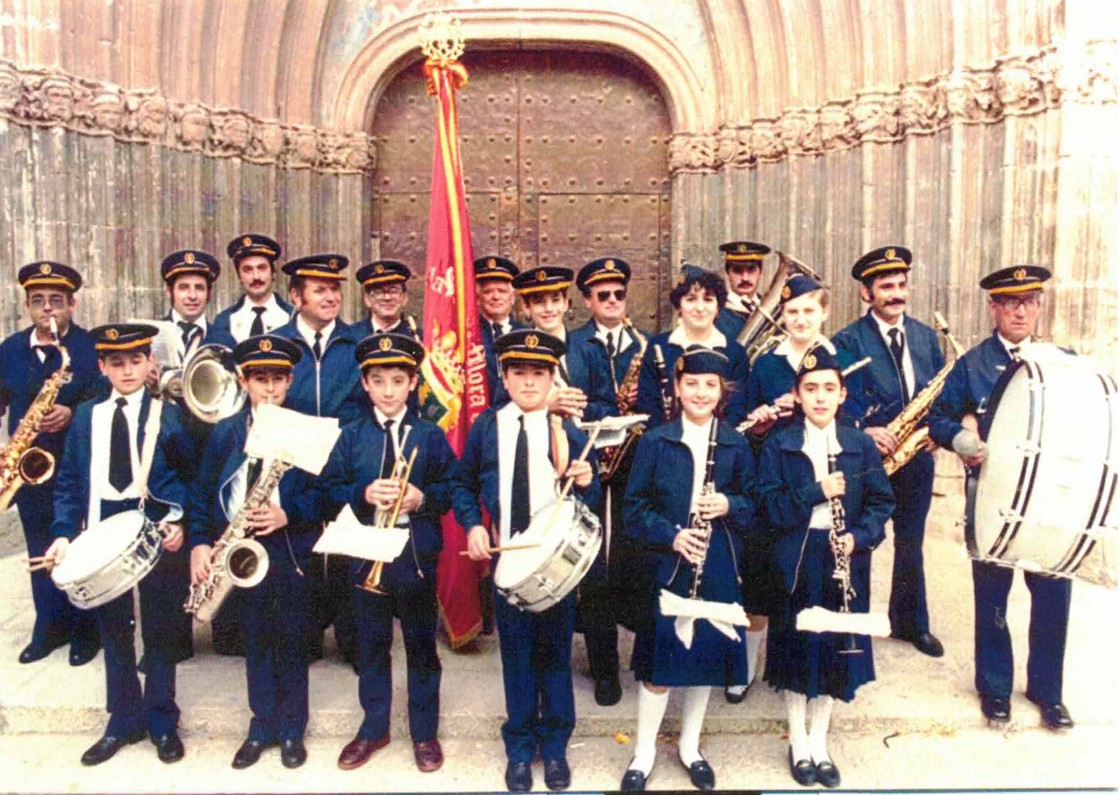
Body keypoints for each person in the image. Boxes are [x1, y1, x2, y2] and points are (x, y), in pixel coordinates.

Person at [454, 329, 602, 794]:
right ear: (504, 374)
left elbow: (592, 498)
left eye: (539, 373)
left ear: (553, 375)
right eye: (519, 372)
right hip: (507, 563)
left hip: (552, 566)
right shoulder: (487, 426)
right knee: (516, 661)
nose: (529, 382)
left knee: (555, 658)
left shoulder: (569, 431)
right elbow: (462, 484)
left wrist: (587, 477)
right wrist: (473, 526)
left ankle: (555, 748)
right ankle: (519, 749)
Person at [43, 323, 197, 766]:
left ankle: (163, 719)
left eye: (135, 361)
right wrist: (63, 532)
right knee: (113, 628)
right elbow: (70, 481)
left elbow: (185, 475)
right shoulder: (88, 415)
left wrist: (179, 520)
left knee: (161, 625)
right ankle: (123, 719)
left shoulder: (166, 413)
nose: (127, 370)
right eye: (116, 363)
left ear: (151, 363)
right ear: (102, 367)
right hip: (102, 525)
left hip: (152, 523)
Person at [928, 265, 1074, 731]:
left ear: (1039, 306)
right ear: (993, 306)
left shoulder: (1061, 361)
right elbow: (938, 419)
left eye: (1028, 301)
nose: (1019, 310)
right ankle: (995, 689)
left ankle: (1047, 692)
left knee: (1053, 596)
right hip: (993, 500)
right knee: (993, 598)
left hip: (1048, 503)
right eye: (1009, 301)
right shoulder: (972, 364)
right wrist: (960, 439)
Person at [620, 346, 758, 792]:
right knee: (660, 667)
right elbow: (633, 510)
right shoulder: (656, 441)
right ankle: (643, 752)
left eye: (710, 385)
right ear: (677, 389)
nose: (700, 392)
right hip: (670, 563)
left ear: (723, 393)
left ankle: (690, 746)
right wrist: (672, 534)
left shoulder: (736, 442)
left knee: (705, 660)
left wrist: (728, 504)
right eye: (692, 383)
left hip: (717, 563)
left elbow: (755, 505)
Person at [319, 333, 458, 774]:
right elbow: (327, 491)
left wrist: (422, 499)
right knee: (372, 646)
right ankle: (374, 726)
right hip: (364, 554)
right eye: (378, 381)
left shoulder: (430, 435)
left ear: (413, 382)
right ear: (364, 384)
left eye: (398, 380)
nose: (388, 390)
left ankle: (424, 733)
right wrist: (362, 493)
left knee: (421, 647)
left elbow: (452, 488)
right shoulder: (351, 435)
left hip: (413, 554)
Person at [756, 346, 894, 789]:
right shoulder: (780, 443)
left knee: (834, 651)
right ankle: (797, 741)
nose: (819, 397)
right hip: (797, 558)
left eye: (828, 389)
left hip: (843, 558)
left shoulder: (857, 444)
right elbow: (770, 507)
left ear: (842, 394)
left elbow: (880, 502)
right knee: (797, 652)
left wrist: (859, 537)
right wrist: (816, 491)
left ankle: (820, 741)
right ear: (796, 395)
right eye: (810, 389)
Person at [187, 334, 320, 770]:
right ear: (243, 380)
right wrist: (201, 542)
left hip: (289, 550)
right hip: (241, 554)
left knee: (292, 640)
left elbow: (330, 494)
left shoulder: (306, 427)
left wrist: (290, 513)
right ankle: (261, 724)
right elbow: (203, 492)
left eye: (278, 379)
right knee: (256, 640)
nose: (269, 389)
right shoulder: (227, 430)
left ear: (290, 380)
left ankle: (291, 730)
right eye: (259, 379)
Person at [833, 246, 945, 657]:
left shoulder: (924, 336)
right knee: (861, 541)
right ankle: (851, 626)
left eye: (901, 285)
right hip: (869, 459)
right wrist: (865, 430)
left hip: (915, 455)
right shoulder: (846, 340)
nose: (896, 294)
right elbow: (836, 401)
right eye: (886, 287)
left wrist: (935, 430)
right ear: (867, 293)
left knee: (911, 541)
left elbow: (940, 395)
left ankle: (910, 623)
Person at [0, 261, 101, 666]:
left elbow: (106, 396)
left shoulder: (90, 346)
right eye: (38, 302)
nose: (47, 310)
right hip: (29, 466)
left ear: (72, 305)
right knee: (39, 547)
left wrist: (73, 412)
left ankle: (85, 629)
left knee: (77, 546)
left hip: (77, 463)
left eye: (56, 302)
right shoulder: (9, 349)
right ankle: (49, 626)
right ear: (27, 305)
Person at [273, 253, 364, 666]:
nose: (330, 298)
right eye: (319, 290)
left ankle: (352, 640)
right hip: (294, 465)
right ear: (296, 296)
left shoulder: (358, 344)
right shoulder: (276, 344)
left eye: (334, 289)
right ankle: (306, 638)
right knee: (304, 553)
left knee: (347, 554)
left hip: (343, 466)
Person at [565, 255, 646, 705]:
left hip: (634, 461)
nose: (613, 301)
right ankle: (603, 668)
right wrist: (609, 413)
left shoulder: (644, 343)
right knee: (592, 564)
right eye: (603, 295)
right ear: (587, 300)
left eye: (618, 294)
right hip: (588, 461)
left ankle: (636, 653)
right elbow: (576, 401)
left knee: (632, 558)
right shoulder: (574, 345)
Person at [636, 265, 749, 431]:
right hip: (666, 445)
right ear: (679, 306)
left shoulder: (735, 353)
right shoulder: (658, 346)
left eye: (708, 299)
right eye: (691, 299)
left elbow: (736, 410)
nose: (700, 308)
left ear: (718, 308)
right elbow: (649, 405)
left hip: (719, 446)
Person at [508, 265, 589, 419]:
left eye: (556, 300)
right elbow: (500, 409)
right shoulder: (514, 353)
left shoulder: (589, 349)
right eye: (539, 302)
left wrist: (571, 405)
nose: (549, 308)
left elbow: (607, 405)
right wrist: (543, 406)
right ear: (526, 308)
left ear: (566, 303)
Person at [208, 234, 293, 347]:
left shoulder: (292, 316)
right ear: (239, 276)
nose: (256, 276)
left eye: (261, 268)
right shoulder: (224, 320)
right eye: (247, 270)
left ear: (272, 272)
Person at [474, 254, 526, 398]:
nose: (496, 297)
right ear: (477, 299)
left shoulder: (525, 335)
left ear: (512, 298)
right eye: (488, 291)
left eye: (502, 291)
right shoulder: (468, 335)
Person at [159, 249, 220, 361]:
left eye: (199, 288)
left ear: (209, 293)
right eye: (183, 288)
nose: (192, 296)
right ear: (169, 291)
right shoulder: (154, 337)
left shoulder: (223, 340)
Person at [714, 241, 770, 342]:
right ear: (728, 273)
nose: (745, 278)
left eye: (751, 270)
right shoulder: (716, 310)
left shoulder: (770, 309)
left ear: (760, 273)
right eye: (737, 270)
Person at [354, 259, 417, 337]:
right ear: (367, 299)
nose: (387, 298)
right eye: (379, 292)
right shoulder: (350, 338)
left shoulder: (419, 338)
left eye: (393, 291)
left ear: (404, 298)